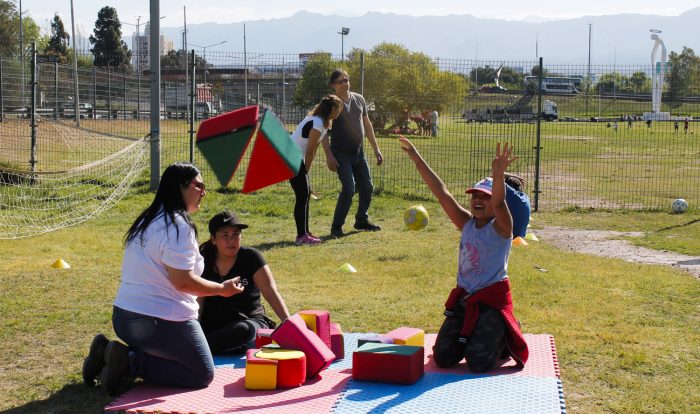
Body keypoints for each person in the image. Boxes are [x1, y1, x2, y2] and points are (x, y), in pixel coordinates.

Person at [82, 162, 244, 396]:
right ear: (181, 187)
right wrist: (221, 288)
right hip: (156, 323)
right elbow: (183, 282)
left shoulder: (147, 219)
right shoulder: (178, 226)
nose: (203, 192)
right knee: (201, 373)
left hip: (123, 318)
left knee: (188, 360)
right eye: (199, 186)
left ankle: (108, 351)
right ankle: (128, 362)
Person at [398, 136, 528, 373]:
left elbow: (499, 204)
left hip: (491, 303)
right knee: (444, 357)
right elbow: (441, 192)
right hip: (465, 301)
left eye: (485, 197)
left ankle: (505, 335)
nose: (478, 200)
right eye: (475, 196)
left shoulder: (502, 228)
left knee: (478, 363)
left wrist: (498, 175)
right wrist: (417, 158)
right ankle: (476, 334)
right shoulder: (466, 223)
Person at [198, 211, 291, 354]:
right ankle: (201, 346)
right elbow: (198, 301)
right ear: (213, 240)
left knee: (243, 331)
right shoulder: (203, 261)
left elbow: (271, 293)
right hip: (214, 325)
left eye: (236, 234)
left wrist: (289, 324)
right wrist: (194, 329)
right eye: (225, 235)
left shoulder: (252, 257)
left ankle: (198, 348)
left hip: (248, 321)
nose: (231, 240)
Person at [322, 69, 384, 237]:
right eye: (341, 81)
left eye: (347, 80)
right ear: (333, 85)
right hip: (341, 154)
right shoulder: (331, 103)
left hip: (359, 153)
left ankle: (361, 220)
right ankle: (336, 228)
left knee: (367, 186)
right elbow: (322, 131)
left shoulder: (359, 99)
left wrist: (376, 149)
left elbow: (367, 124)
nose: (345, 83)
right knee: (349, 188)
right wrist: (329, 156)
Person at [289, 95, 343, 245]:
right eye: (339, 109)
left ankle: (305, 233)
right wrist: (305, 171)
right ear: (332, 109)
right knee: (302, 196)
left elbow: (314, 147)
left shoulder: (323, 123)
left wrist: (305, 173)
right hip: (290, 157)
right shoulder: (317, 122)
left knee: (305, 195)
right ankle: (301, 237)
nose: (340, 112)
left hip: (294, 157)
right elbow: (310, 151)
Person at [504, 174, 531, 239]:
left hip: (509, 236)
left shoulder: (510, 193)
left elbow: (494, 176)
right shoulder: (526, 197)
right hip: (520, 237)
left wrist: (515, 176)